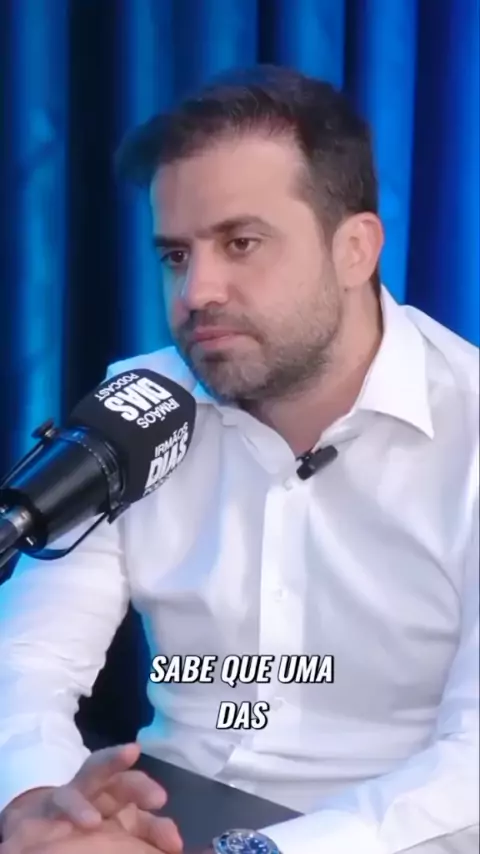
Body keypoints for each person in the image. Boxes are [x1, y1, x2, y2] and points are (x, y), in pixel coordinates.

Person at [0, 64, 478, 854]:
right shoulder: (139, 409)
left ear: (355, 249)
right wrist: (40, 802)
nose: (197, 292)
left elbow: (471, 763)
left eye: (241, 243)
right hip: (159, 818)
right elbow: (28, 653)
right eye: (175, 256)